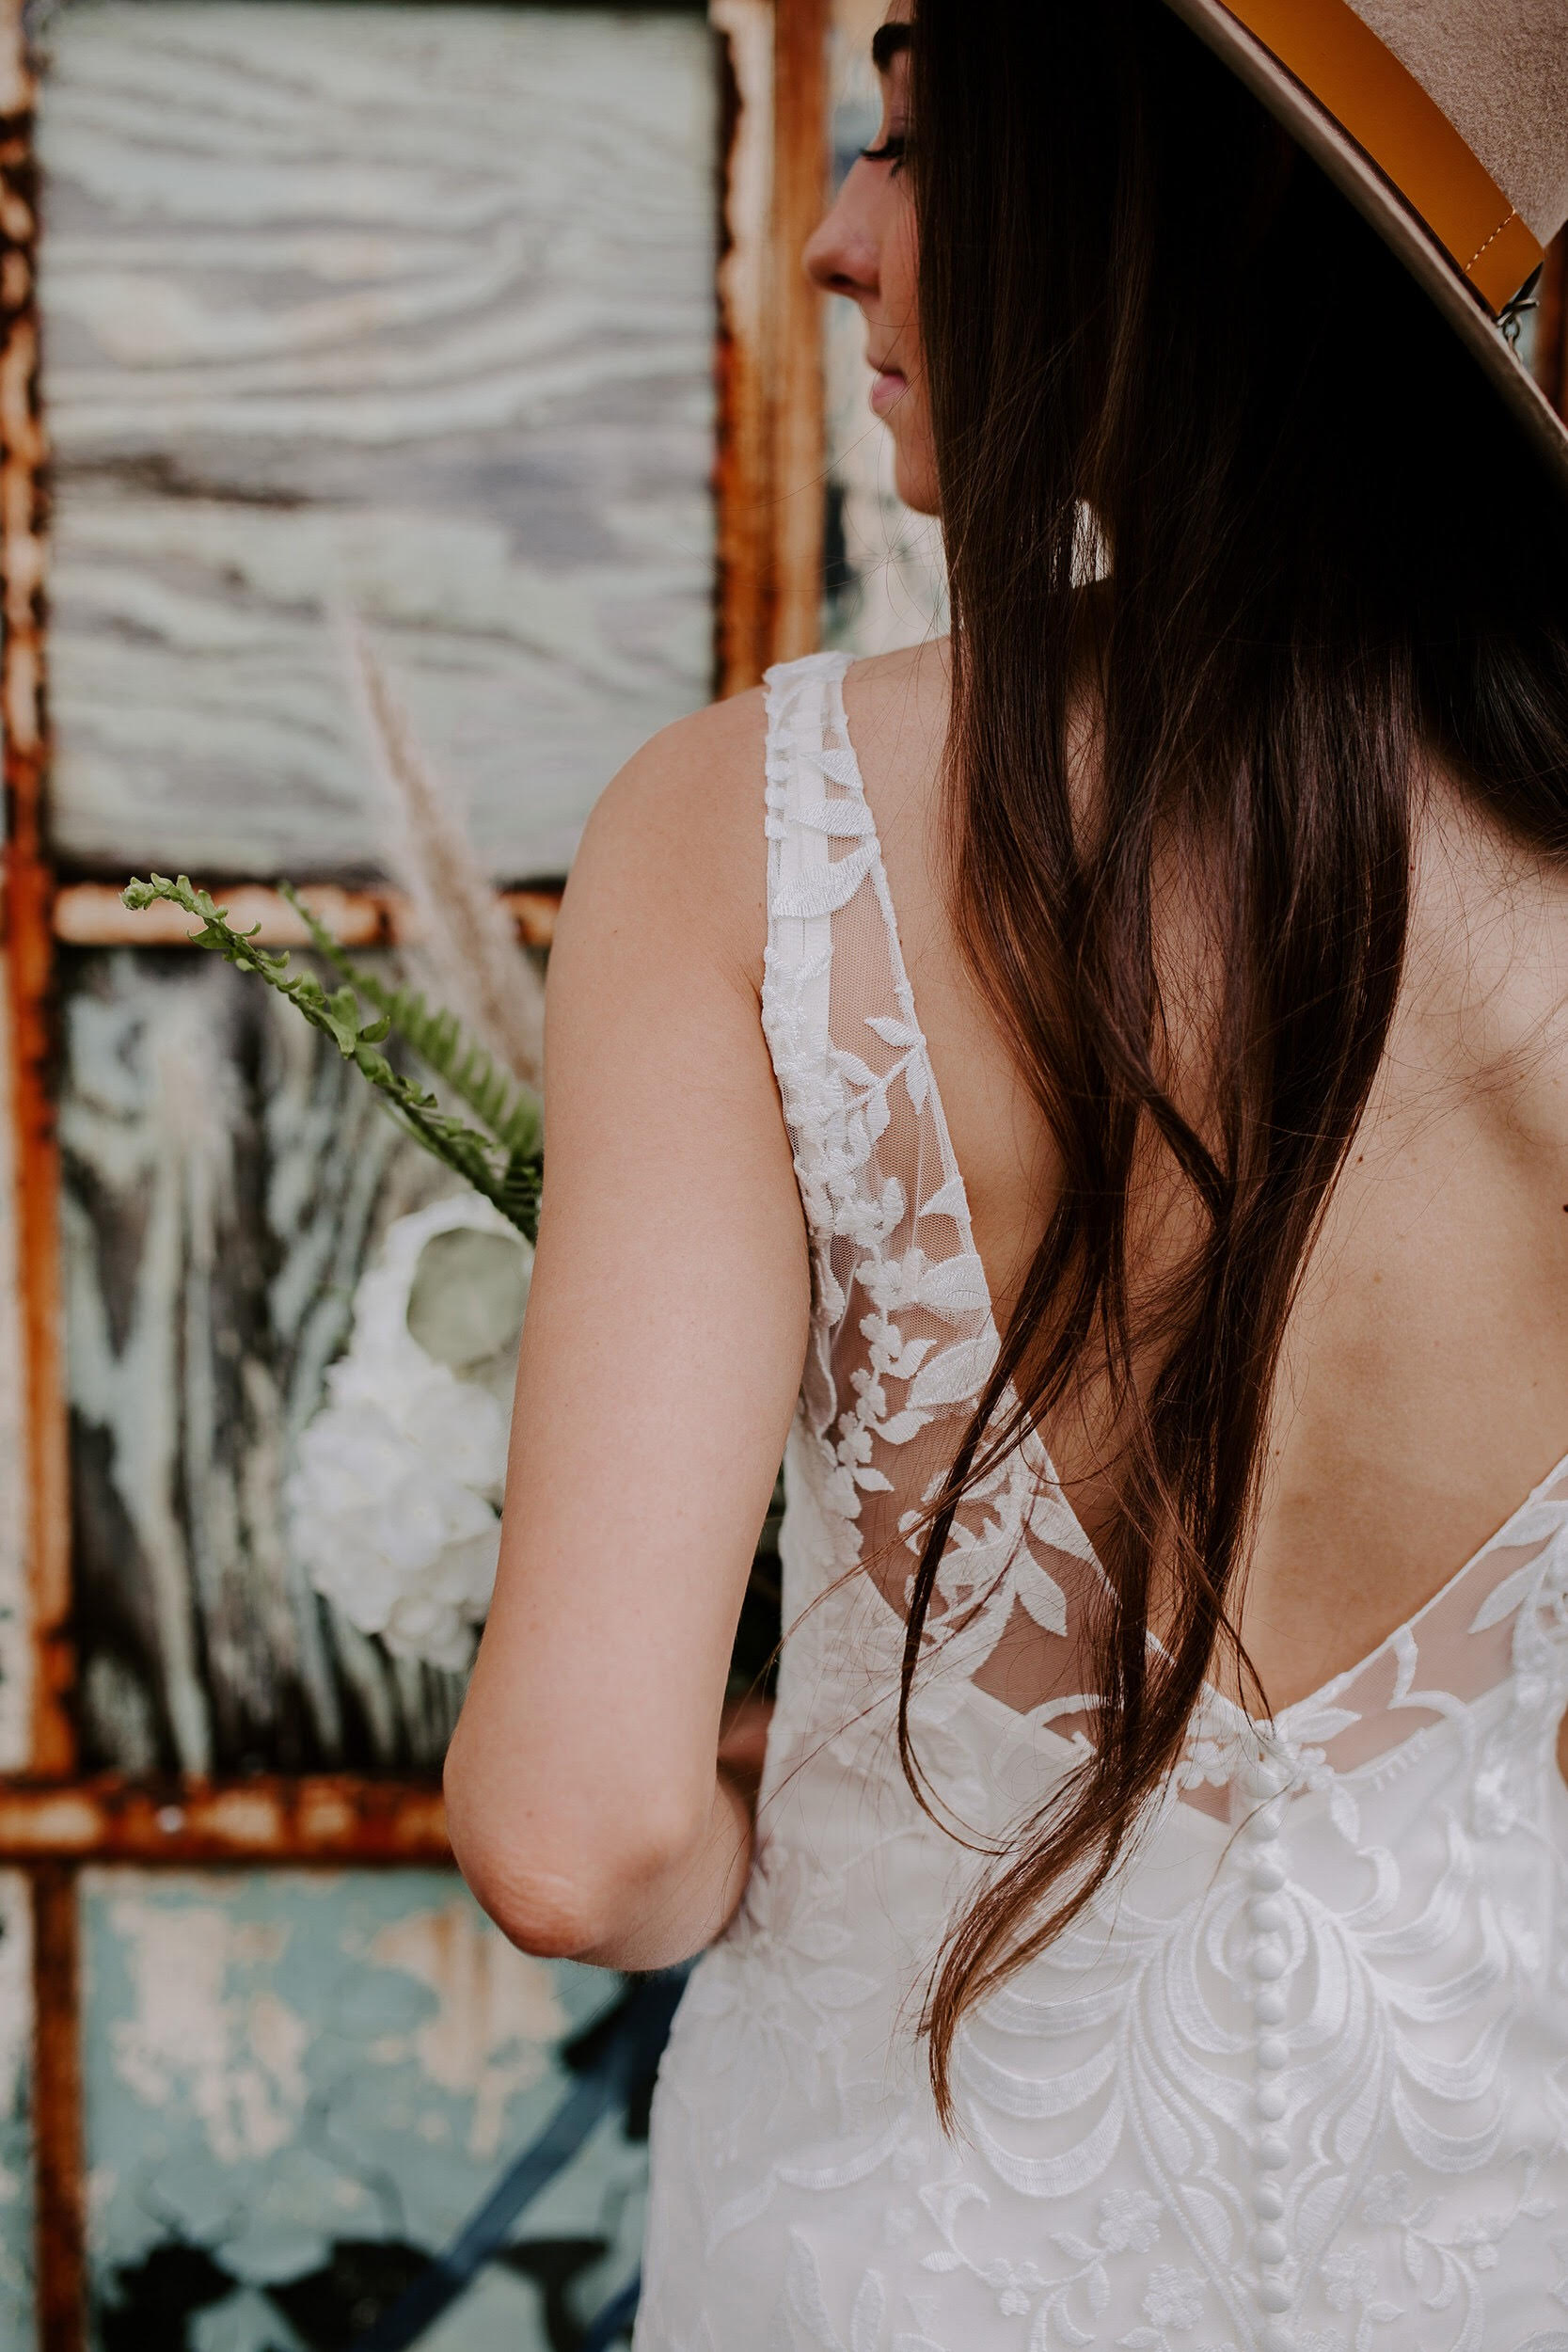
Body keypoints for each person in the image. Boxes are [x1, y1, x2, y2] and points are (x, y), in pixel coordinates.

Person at [445, 1, 1568, 2342]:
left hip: (901, 2249)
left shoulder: (748, 834)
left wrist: (783, 1829)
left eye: (923, 147)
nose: (844, 243)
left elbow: (573, 1832)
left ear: (1181, 219)